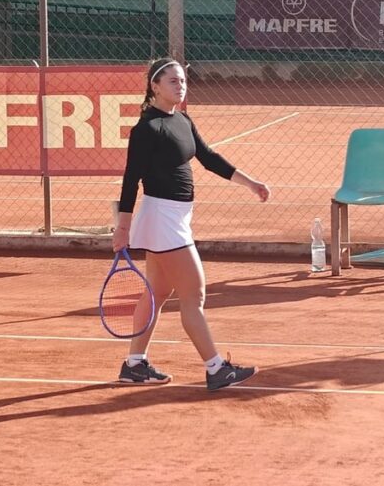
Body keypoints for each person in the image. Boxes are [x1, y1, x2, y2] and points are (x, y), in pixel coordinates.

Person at [113, 57, 271, 391]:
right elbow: (131, 180)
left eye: (183, 80)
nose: (180, 85)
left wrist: (250, 182)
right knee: (194, 294)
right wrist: (122, 228)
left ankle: (134, 364)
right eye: (172, 81)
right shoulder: (146, 129)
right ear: (154, 86)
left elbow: (210, 158)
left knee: (157, 292)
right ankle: (216, 368)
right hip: (162, 218)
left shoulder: (182, 120)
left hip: (175, 218)